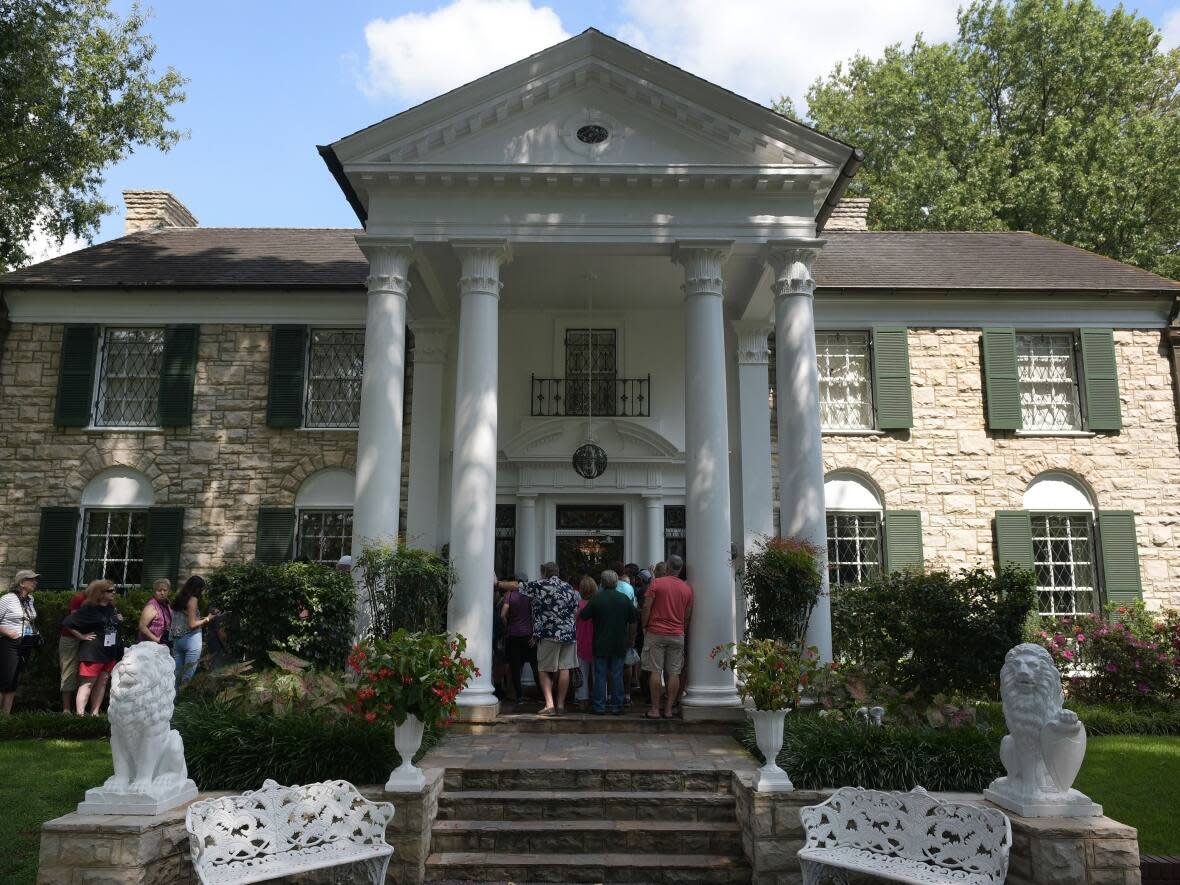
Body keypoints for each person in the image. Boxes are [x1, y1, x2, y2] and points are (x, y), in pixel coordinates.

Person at [519, 562, 578, 716]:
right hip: (568, 633)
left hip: (549, 633)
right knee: (565, 668)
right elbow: (575, 610)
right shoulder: (568, 587)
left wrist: (497, 583)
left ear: (544, 572)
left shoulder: (540, 585)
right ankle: (560, 705)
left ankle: (549, 705)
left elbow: (517, 586)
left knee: (544, 668)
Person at [641, 554, 693, 719]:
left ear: (668, 566)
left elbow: (646, 607)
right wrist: (681, 629)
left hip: (656, 632)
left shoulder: (656, 583)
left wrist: (645, 625)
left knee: (655, 671)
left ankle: (655, 709)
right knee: (674, 673)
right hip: (677, 633)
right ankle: (669, 709)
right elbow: (687, 615)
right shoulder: (687, 589)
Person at [579, 570, 637, 716]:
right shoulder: (624, 599)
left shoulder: (597, 599)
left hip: (600, 642)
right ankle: (617, 706)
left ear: (603, 583)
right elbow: (634, 618)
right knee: (617, 674)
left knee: (600, 675)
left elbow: (584, 615)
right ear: (616, 582)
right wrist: (631, 639)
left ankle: (599, 706)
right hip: (619, 643)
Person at [62, 580, 123, 716]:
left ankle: (94, 713)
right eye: (109, 591)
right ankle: (80, 714)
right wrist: (82, 636)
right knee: (87, 684)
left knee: (102, 683)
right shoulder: (89, 608)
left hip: (109, 651)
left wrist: (118, 620)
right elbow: (68, 623)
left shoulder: (111, 608)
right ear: (100, 593)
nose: (113, 593)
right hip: (93, 652)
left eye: (114, 590)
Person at [0, 570, 41, 715]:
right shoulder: (8, 598)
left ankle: (6, 716)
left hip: (25, 644)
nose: (35, 582)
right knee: (6, 679)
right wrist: (8, 632)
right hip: (9, 643)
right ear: (22, 583)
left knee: (15, 679)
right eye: (32, 580)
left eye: (36, 580)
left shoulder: (30, 599)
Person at [499, 572, 538, 707]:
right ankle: (542, 695)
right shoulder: (531, 595)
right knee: (535, 665)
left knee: (515, 667)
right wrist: (535, 633)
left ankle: (519, 696)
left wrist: (507, 626)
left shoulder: (509, 595)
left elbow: (503, 615)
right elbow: (536, 616)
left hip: (513, 635)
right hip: (529, 635)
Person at [170, 576, 211, 688]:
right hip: (191, 639)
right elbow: (192, 624)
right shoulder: (193, 599)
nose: (202, 592)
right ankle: (184, 702)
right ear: (197, 589)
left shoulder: (179, 598)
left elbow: (186, 617)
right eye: (201, 589)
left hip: (177, 640)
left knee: (176, 675)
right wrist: (207, 619)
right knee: (188, 675)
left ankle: (172, 702)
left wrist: (200, 617)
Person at [58, 585, 87, 712]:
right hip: (70, 638)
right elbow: (72, 621)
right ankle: (66, 709)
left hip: (88, 640)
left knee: (84, 673)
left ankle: (79, 709)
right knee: (69, 670)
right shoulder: (79, 598)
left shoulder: (102, 601)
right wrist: (81, 635)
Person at [574, 575, 597, 711]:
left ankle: (582, 700)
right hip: (595, 642)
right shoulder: (598, 604)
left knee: (581, 673)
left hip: (580, 642)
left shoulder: (577, 605)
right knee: (598, 673)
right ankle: (598, 699)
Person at [137, 578, 172, 644]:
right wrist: (156, 640)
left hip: (162, 645)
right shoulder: (151, 606)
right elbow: (142, 626)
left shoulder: (167, 605)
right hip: (149, 646)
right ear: (154, 592)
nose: (162, 593)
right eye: (159, 590)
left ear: (169, 592)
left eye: (165, 590)